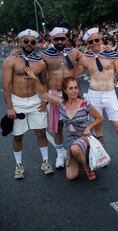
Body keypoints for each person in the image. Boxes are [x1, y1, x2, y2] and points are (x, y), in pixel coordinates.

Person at [24, 69, 103, 181]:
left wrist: (89, 127)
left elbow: (100, 118)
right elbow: (44, 93)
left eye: (76, 88)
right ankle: (82, 158)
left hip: (85, 138)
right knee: (71, 176)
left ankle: (87, 168)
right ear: (65, 91)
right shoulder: (61, 103)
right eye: (71, 88)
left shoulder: (85, 104)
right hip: (72, 139)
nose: (74, 91)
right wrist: (35, 79)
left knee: (75, 148)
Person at [73, 28, 118, 168]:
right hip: (93, 95)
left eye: (97, 40)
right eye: (91, 41)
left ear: (101, 40)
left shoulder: (112, 55)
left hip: (110, 94)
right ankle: (101, 155)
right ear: (87, 43)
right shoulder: (85, 58)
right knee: (97, 127)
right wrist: (76, 56)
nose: (94, 43)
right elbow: (74, 74)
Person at [2, 29, 53, 179]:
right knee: (18, 136)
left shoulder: (40, 62)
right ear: (19, 42)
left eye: (32, 42)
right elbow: (6, 87)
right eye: (26, 41)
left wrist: (45, 100)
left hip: (35, 101)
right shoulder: (10, 61)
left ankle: (45, 162)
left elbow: (45, 83)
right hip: (17, 102)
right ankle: (19, 165)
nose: (29, 44)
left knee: (41, 133)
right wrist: (10, 107)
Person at [41, 27, 83, 169]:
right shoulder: (45, 55)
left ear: (66, 39)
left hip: (72, 94)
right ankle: (60, 155)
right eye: (56, 39)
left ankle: (79, 151)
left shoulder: (74, 52)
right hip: (55, 94)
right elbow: (36, 71)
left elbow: (87, 60)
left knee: (78, 126)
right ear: (51, 40)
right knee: (57, 127)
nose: (60, 41)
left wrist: (75, 75)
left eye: (62, 39)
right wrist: (17, 53)